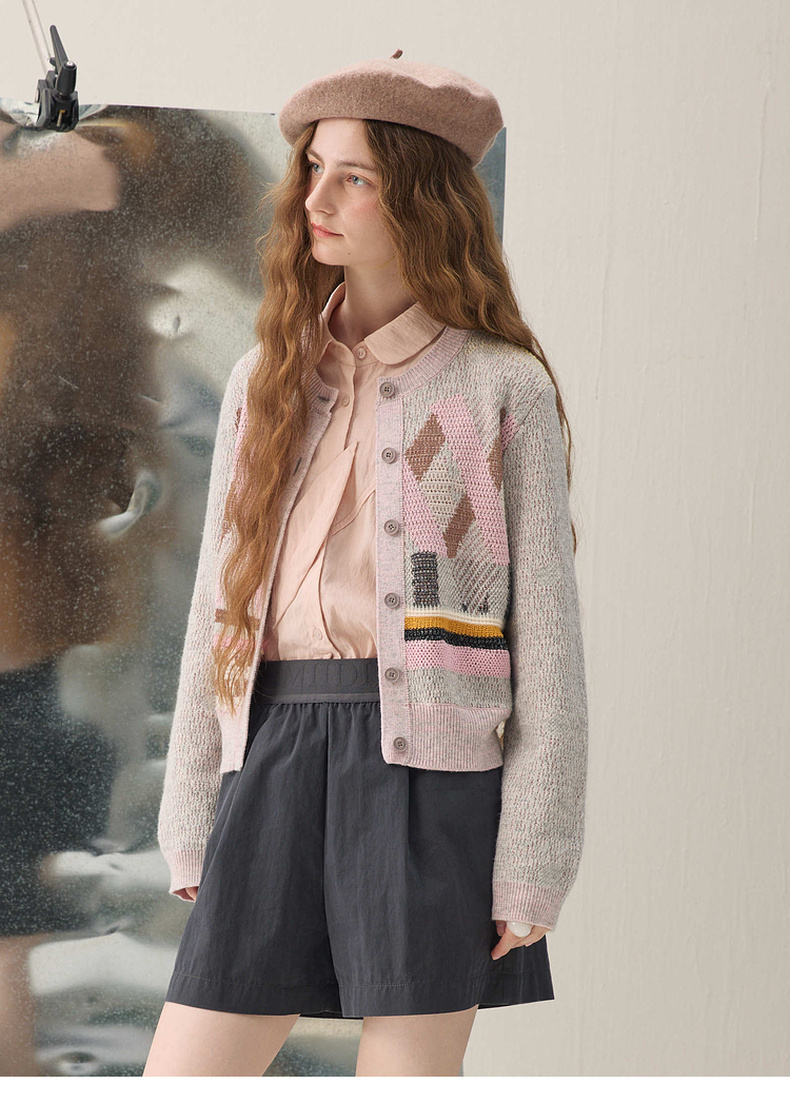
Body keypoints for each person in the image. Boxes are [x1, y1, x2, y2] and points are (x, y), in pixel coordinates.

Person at [144, 51, 589, 1077]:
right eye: (313, 170)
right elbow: (215, 613)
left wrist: (533, 858)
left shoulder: (500, 388)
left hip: (432, 782)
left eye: (353, 177)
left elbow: (551, 655)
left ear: (424, 199)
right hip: (271, 753)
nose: (316, 199)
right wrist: (190, 814)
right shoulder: (264, 379)